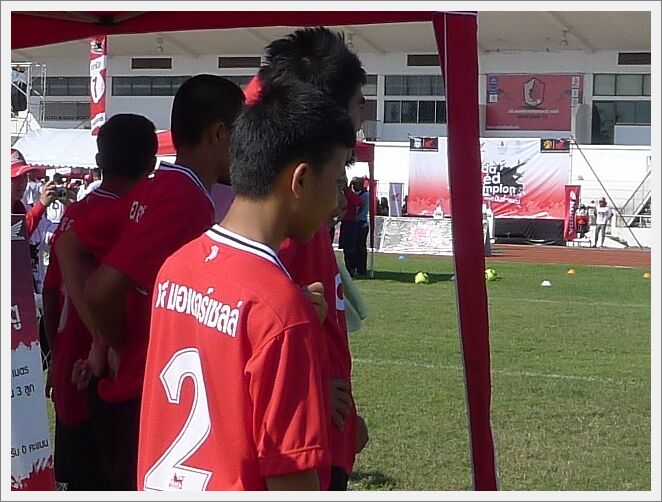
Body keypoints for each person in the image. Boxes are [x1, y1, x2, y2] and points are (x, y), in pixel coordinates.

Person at [137, 80, 357, 491]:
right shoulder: (280, 311)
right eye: (337, 181)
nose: (338, 203)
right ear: (301, 180)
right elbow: (290, 478)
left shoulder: (176, 269)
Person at [55, 75, 245, 490]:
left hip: (140, 389)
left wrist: (102, 340)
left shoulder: (161, 187)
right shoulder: (182, 199)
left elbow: (69, 242)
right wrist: (115, 340)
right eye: (242, 134)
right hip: (145, 394)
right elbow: (100, 286)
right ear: (219, 134)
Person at [245, 26, 369, 490]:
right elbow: (261, 334)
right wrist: (316, 384)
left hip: (325, 426)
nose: (362, 116)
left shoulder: (302, 212)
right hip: (305, 433)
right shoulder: (285, 219)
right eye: (358, 104)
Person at [43, 113, 157, 491]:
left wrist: (56, 356)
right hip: (121, 377)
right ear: (152, 165)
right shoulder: (148, 219)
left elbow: (51, 293)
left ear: (98, 162)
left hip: (72, 372)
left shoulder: (76, 216)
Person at [11, 150, 57, 237]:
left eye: (24, 175)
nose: (22, 182)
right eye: (15, 177)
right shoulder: (31, 211)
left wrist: (72, 208)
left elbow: (53, 234)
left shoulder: (25, 209)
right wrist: (41, 205)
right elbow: (18, 235)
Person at [352, 177, 370, 277]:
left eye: (357, 184)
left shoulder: (364, 195)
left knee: (361, 247)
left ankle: (361, 268)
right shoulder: (358, 194)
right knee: (355, 247)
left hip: (361, 222)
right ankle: (355, 267)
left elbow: (359, 208)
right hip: (357, 222)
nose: (355, 186)